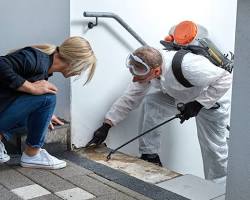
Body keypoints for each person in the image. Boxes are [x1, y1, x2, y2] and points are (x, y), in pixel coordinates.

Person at [87, 21, 232, 183]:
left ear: (156, 71)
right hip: (182, 95)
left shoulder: (189, 66)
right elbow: (129, 98)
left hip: (212, 101)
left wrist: (199, 103)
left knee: (213, 149)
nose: (135, 78)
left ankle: (220, 186)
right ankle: (150, 155)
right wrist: (107, 125)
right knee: (152, 100)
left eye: (138, 76)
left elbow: (225, 78)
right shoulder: (148, 70)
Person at [0, 36, 96, 169]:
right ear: (73, 62)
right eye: (82, 67)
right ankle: (32, 155)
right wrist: (31, 87)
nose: (80, 72)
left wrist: (44, 113)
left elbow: (16, 94)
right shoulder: (33, 58)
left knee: (42, 108)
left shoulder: (43, 67)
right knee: (48, 98)